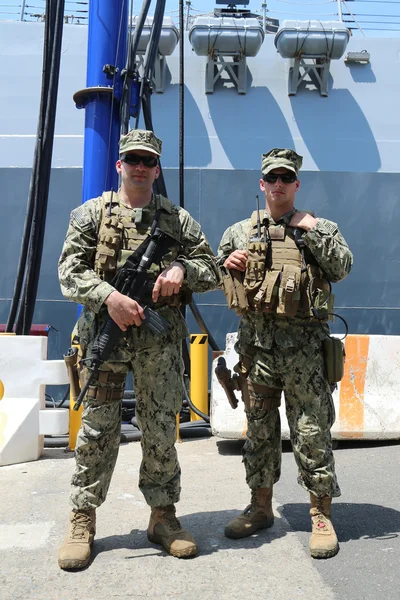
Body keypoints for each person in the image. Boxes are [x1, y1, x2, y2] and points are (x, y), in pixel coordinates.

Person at [57, 129, 219, 569]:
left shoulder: (176, 220)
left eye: (148, 160)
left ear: (157, 168)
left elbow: (214, 267)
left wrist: (183, 270)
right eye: (133, 159)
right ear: (120, 165)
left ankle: (163, 517)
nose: (140, 167)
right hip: (105, 340)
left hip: (159, 346)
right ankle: (82, 517)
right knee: (97, 430)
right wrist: (109, 297)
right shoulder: (92, 214)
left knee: (161, 430)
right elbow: (68, 271)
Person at [217, 148, 353, 559]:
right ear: (262, 184)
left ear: (296, 184)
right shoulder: (240, 232)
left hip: (305, 356)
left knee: (311, 433)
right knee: (259, 433)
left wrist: (310, 229)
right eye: (271, 178)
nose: (278, 185)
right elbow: (213, 268)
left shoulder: (318, 228)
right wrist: (228, 261)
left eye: (285, 178)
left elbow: (343, 266)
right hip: (257, 352)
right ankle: (260, 507)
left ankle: (320, 513)